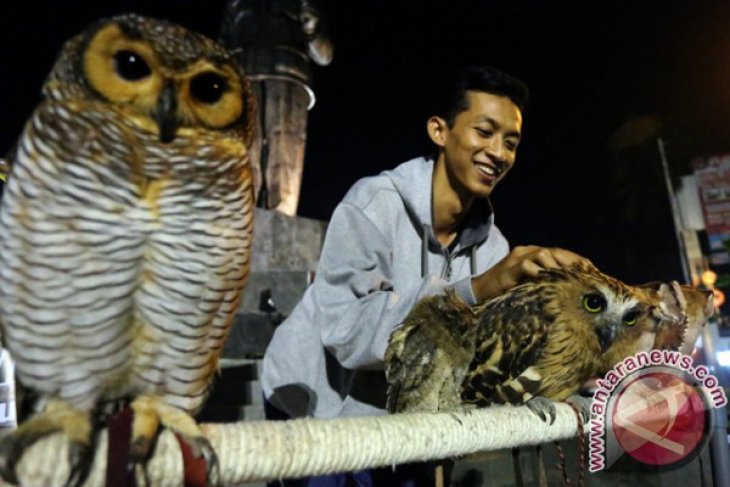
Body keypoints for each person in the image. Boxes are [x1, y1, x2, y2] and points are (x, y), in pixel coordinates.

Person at [260, 65, 593, 486]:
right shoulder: (373, 204)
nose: (499, 153)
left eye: (511, 142)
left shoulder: (495, 249)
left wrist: (573, 363)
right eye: (484, 132)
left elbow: (484, 354)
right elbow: (345, 334)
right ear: (439, 131)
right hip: (314, 402)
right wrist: (471, 292)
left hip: (404, 419)